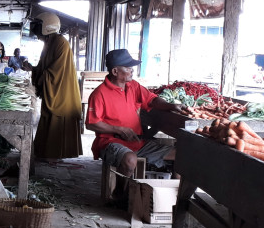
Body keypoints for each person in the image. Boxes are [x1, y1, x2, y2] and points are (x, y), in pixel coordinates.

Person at [85, 48, 190, 178]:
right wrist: (119, 129)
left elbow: (152, 100)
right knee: (130, 159)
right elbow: (91, 124)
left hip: (138, 142)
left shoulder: (133, 86)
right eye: (128, 67)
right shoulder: (99, 94)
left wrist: (171, 106)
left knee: (182, 156)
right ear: (115, 71)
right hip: (110, 142)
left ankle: (176, 196)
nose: (132, 70)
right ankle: (119, 194)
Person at [30, 12, 83, 160]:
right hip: (53, 88)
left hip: (61, 91)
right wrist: (33, 70)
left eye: (38, 27)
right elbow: (43, 66)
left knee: (57, 118)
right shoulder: (48, 44)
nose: (35, 31)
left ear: (46, 27)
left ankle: (55, 154)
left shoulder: (61, 43)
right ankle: (46, 152)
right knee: (48, 118)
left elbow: (56, 71)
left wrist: (41, 78)